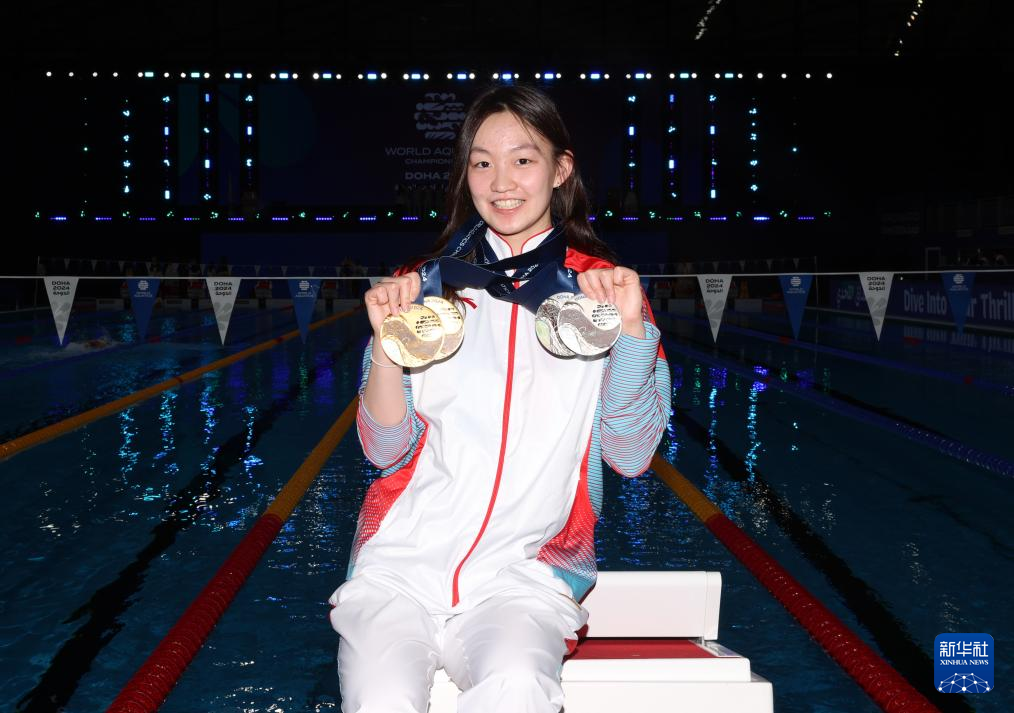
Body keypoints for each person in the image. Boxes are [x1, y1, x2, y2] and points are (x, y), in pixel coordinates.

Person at [328, 84, 671, 713]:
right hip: (399, 569)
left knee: (517, 688)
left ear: (560, 169)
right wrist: (385, 346)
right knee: (381, 699)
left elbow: (630, 454)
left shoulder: (603, 294)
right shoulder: (425, 288)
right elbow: (384, 449)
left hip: (523, 578)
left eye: (523, 159)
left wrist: (630, 332)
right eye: (482, 162)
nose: (501, 182)